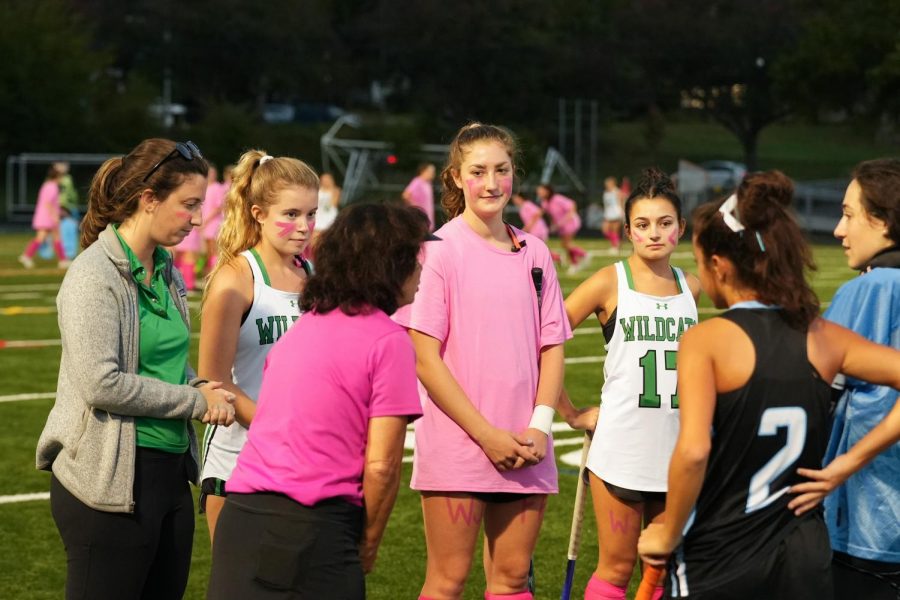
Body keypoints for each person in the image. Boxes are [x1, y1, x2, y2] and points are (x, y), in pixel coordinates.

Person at [636, 171, 900, 599]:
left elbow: (693, 451)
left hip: (721, 553)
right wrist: (845, 466)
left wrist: (666, 535)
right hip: (804, 558)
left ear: (719, 264)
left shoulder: (707, 340)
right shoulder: (824, 337)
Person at [35, 138, 236, 600]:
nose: (198, 218)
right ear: (148, 200)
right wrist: (195, 400)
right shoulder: (92, 275)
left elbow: (163, 358)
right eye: (188, 205)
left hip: (168, 477)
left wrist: (195, 382)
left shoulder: (165, 268)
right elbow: (101, 383)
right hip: (106, 485)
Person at [207, 203, 431, 600]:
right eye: (414, 258)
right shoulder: (389, 341)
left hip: (241, 519)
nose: (421, 269)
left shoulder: (305, 324)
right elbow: (381, 466)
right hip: (314, 527)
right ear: (389, 265)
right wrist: (370, 542)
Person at [394, 123, 571, 600]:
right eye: (478, 171)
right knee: (447, 582)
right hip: (460, 445)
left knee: (513, 582)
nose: (492, 183)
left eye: (502, 170)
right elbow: (424, 359)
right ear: (455, 178)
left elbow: (552, 346)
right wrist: (486, 434)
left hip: (527, 445)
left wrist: (540, 426)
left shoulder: (535, 252)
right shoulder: (438, 251)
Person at [563, 168, 700, 600]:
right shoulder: (610, 281)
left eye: (664, 223)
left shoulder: (691, 287)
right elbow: (541, 340)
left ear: (681, 228)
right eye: (642, 225)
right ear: (627, 231)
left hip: (676, 450)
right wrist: (568, 412)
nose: (654, 233)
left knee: (659, 569)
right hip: (621, 449)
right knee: (617, 568)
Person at [789, 158, 900, 599]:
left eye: (850, 214)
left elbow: (804, 389)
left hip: (868, 524)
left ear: (885, 221)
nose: (839, 229)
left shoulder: (868, 289)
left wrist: (842, 466)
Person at [198, 150, 318, 541]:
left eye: (311, 214)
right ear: (258, 213)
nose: (303, 226)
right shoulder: (236, 278)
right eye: (291, 214)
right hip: (239, 461)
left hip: (305, 460)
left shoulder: (316, 277)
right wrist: (280, 431)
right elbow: (213, 382)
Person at [19, 164, 70, 269]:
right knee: (47, 238)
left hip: (43, 216)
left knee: (49, 238)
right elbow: (48, 203)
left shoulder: (47, 185)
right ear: (58, 177)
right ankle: (27, 256)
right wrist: (55, 216)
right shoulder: (53, 187)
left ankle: (62, 260)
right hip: (47, 217)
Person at [537, 183, 587, 273]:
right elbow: (550, 215)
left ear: (547, 191)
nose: (539, 193)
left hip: (570, 222)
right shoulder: (544, 203)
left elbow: (572, 205)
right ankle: (575, 264)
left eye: (541, 191)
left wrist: (566, 219)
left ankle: (583, 254)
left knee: (566, 244)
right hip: (561, 226)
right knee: (565, 244)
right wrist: (554, 224)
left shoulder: (557, 198)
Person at [511, 191, 560, 265]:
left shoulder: (527, 204)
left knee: (536, 248)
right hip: (534, 230)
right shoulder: (523, 207)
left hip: (538, 230)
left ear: (521, 198)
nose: (514, 201)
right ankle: (555, 258)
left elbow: (539, 212)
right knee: (539, 248)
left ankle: (554, 258)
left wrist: (530, 225)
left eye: (516, 199)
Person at [201, 164, 226, 274]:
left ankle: (215, 272)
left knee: (214, 249)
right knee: (208, 251)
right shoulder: (205, 187)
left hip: (214, 222)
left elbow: (218, 207)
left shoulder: (217, 187)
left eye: (212, 173)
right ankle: (209, 272)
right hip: (205, 223)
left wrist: (206, 220)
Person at [403, 163, 437, 231]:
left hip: (427, 218)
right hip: (420, 219)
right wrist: (415, 209)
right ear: (423, 171)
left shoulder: (428, 183)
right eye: (430, 171)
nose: (432, 174)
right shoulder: (417, 181)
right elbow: (406, 195)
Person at [602, 176, 626, 254]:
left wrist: (622, 211)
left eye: (608, 183)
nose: (607, 185)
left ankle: (615, 247)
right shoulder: (606, 192)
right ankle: (616, 244)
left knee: (614, 230)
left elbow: (622, 201)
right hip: (608, 213)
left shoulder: (617, 191)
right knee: (605, 230)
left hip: (616, 212)